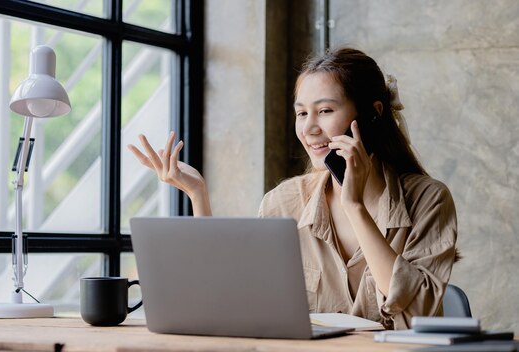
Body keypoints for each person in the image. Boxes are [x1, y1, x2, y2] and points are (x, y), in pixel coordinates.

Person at [128, 47, 458, 330]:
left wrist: (354, 206)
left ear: (374, 114)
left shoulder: (429, 200)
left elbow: (417, 314)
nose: (310, 128)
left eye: (325, 111)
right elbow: (236, 305)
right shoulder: (282, 204)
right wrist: (198, 196)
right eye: (302, 113)